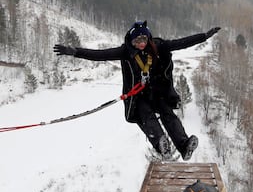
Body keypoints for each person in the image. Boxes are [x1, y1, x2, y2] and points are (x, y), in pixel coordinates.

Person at [53, 21, 220, 161]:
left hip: (156, 92)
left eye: (143, 39)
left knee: (168, 114)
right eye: (136, 41)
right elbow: (101, 54)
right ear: (131, 41)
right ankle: (161, 145)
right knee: (146, 115)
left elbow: (181, 43)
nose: (140, 43)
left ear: (148, 38)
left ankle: (183, 146)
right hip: (138, 96)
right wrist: (75, 52)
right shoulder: (125, 52)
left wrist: (204, 37)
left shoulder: (158, 46)